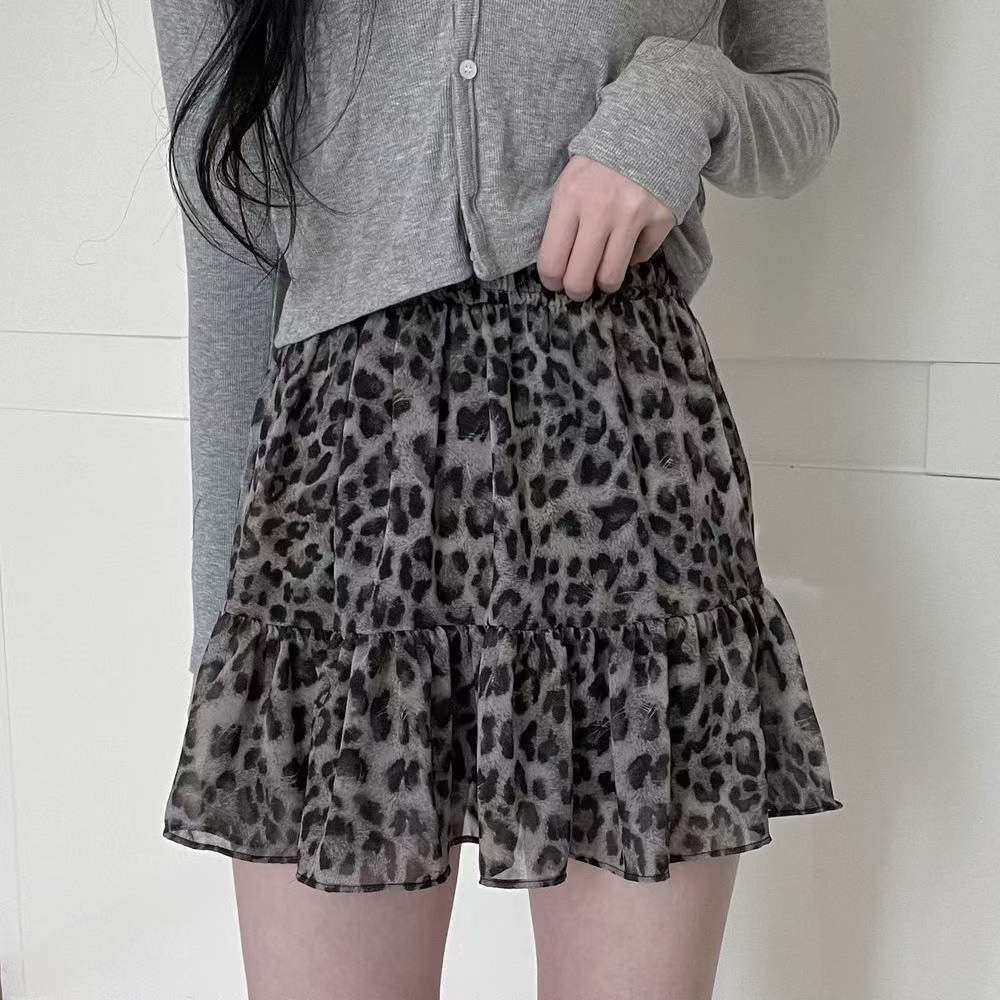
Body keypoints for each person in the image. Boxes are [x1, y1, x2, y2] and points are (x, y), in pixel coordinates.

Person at [150, 0, 845, 996]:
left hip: (619, 473)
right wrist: (225, 622)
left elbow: (800, 105)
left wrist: (685, 92)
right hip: (343, 487)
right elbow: (227, 241)